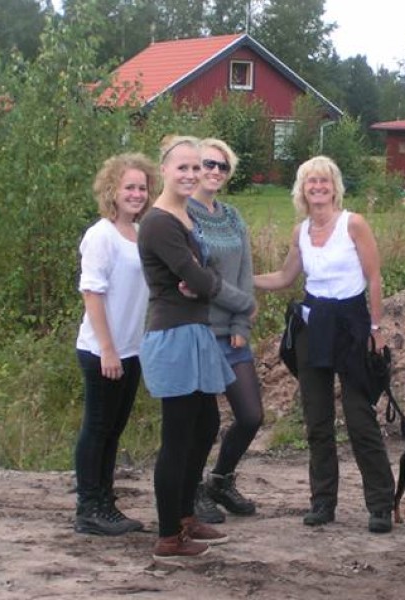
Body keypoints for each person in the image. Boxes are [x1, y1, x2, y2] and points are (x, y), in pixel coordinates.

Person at [254, 155, 395, 534]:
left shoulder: (353, 224)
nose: (317, 187)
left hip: (352, 326)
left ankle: (381, 504)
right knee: (317, 419)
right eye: (311, 182)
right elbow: (285, 277)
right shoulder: (300, 231)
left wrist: (376, 328)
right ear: (302, 190)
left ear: (335, 188)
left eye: (324, 181)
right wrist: (243, 279)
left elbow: (374, 277)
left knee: (359, 418)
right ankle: (322, 501)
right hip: (313, 326)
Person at [138, 135, 255, 562]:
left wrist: (201, 283)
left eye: (195, 167)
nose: (191, 174)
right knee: (178, 437)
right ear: (164, 170)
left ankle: (186, 515)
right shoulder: (159, 222)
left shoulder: (185, 216)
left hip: (195, 331)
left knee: (205, 424)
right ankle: (169, 535)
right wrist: (242, 302)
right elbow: (199, 277)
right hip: (173, 335)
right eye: (183, 167)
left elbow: (201, 275)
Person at [73, 152, 155, 536]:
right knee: (97, 427)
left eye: (142, 188)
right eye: (129, 187)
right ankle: (89, 507)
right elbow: (92, 293)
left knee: (114, 429)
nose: (137, 194)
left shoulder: (139, 234)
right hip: (102, 350)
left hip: (131, 348)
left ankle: (106, 502)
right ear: (112, 190)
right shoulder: (101, 235)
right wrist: (107, 349)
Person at [185, 138, 263, 523]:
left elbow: (245, 272)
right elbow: (197, 279)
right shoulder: (184, 215)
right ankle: (192, 490)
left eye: (222, 166)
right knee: (203, 422)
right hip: (198, 329)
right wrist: (238, 306)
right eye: (208, 164)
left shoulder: (232, 217)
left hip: (232, 331)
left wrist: (240, 322)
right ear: (193, 169)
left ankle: (220, 479)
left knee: (250, 415)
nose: (215, 171)